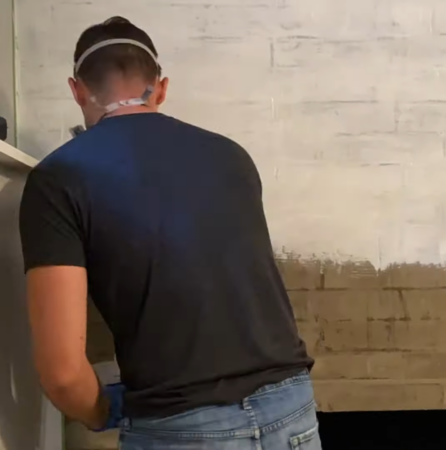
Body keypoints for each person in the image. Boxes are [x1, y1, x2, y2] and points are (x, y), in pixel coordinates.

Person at [19, 17, 321, 450]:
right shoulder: (232, 157)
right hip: (292, 411)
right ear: (160, 89)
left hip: (182, 427)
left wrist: (104, 412)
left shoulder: (59, 178)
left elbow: (64, 374)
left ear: (78, 90)